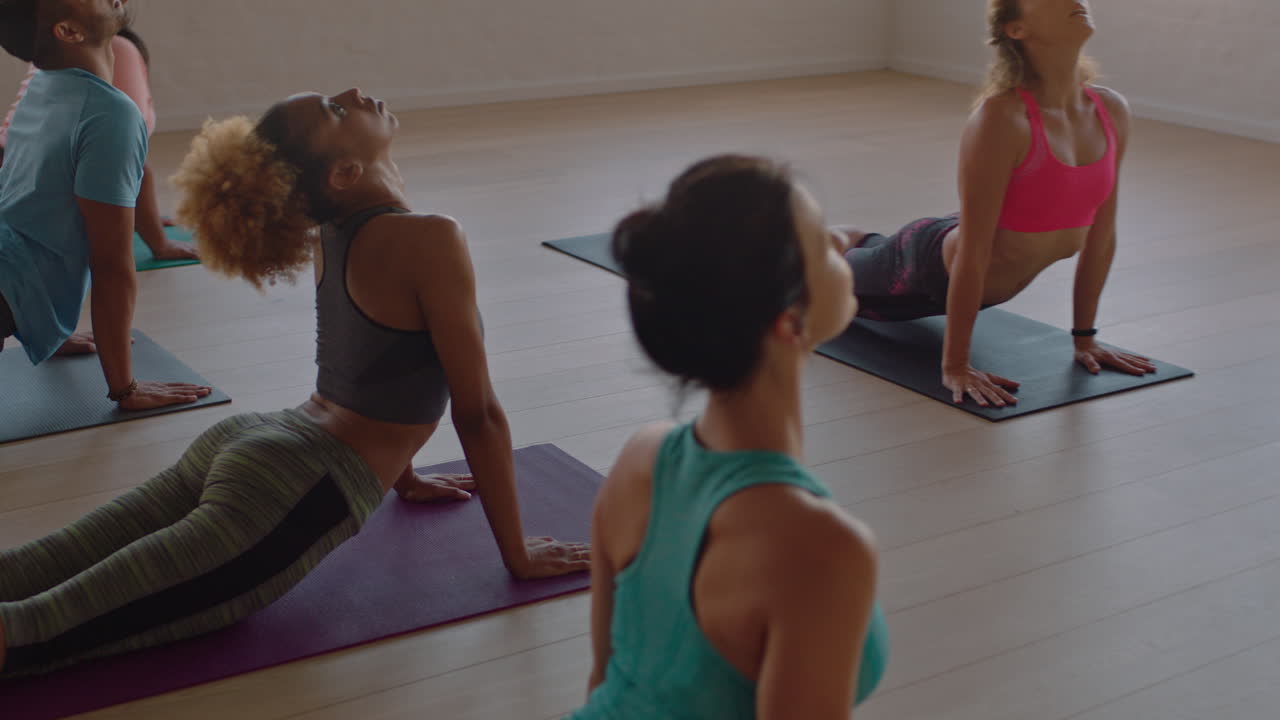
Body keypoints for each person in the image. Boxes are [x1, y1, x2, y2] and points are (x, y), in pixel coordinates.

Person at [0, 86, 589, 677]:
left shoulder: (332, 233)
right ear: (346, 172)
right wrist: (518, 554)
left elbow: (363, 363)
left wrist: (404, 475)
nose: (354, 93)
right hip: (292, 488)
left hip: (255, 441)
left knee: (24, 571)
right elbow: (478, 411)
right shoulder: (431, 238)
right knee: (30, 632)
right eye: (336, 109)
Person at [571, 155, 888, 719]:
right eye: (822, 243)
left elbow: (603, 683)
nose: (845, 241)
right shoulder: (818, 544)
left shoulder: (640, 459)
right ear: (788, 322)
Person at [841, 0, 1156, 408]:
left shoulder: (1110, 110)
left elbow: (1102, 235)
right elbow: (974, 252)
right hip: (924, 271)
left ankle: (853, 238)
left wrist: (1085, 340)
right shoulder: (1002, 118)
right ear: (1016, 29)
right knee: (813, 280)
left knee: (866, 246)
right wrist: (954, 365)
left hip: (960, 242)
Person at [0, 0, 208, 409]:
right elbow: (112, 265)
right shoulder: (111, 114)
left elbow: (26, 207)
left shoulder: (45, 81)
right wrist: (125, 388)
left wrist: (44, 326)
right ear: (69, 31)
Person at [0, 26, 196, 261]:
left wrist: (139, 215)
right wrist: (160, 244)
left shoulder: (53, 55)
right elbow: (135, 170)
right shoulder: (118, 50)